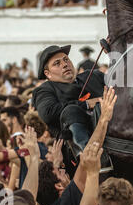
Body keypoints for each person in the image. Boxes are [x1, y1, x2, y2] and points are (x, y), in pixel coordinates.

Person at [36, 87, 116, 205]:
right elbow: (88, 158)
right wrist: (104, 119)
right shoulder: (66, 202)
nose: (64, 170)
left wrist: (58, 165)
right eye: (59, 171)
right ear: (58, 186)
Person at [32, 45, 106, 177]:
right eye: (57, 63)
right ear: (47, 74)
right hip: (71, 153)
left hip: (112, 130)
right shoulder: (45, 89)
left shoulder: (94, 76)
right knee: (70, 111)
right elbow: (48, 113)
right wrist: (86, 104)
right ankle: (88, 158)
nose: (64, 64)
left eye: (66, 60)